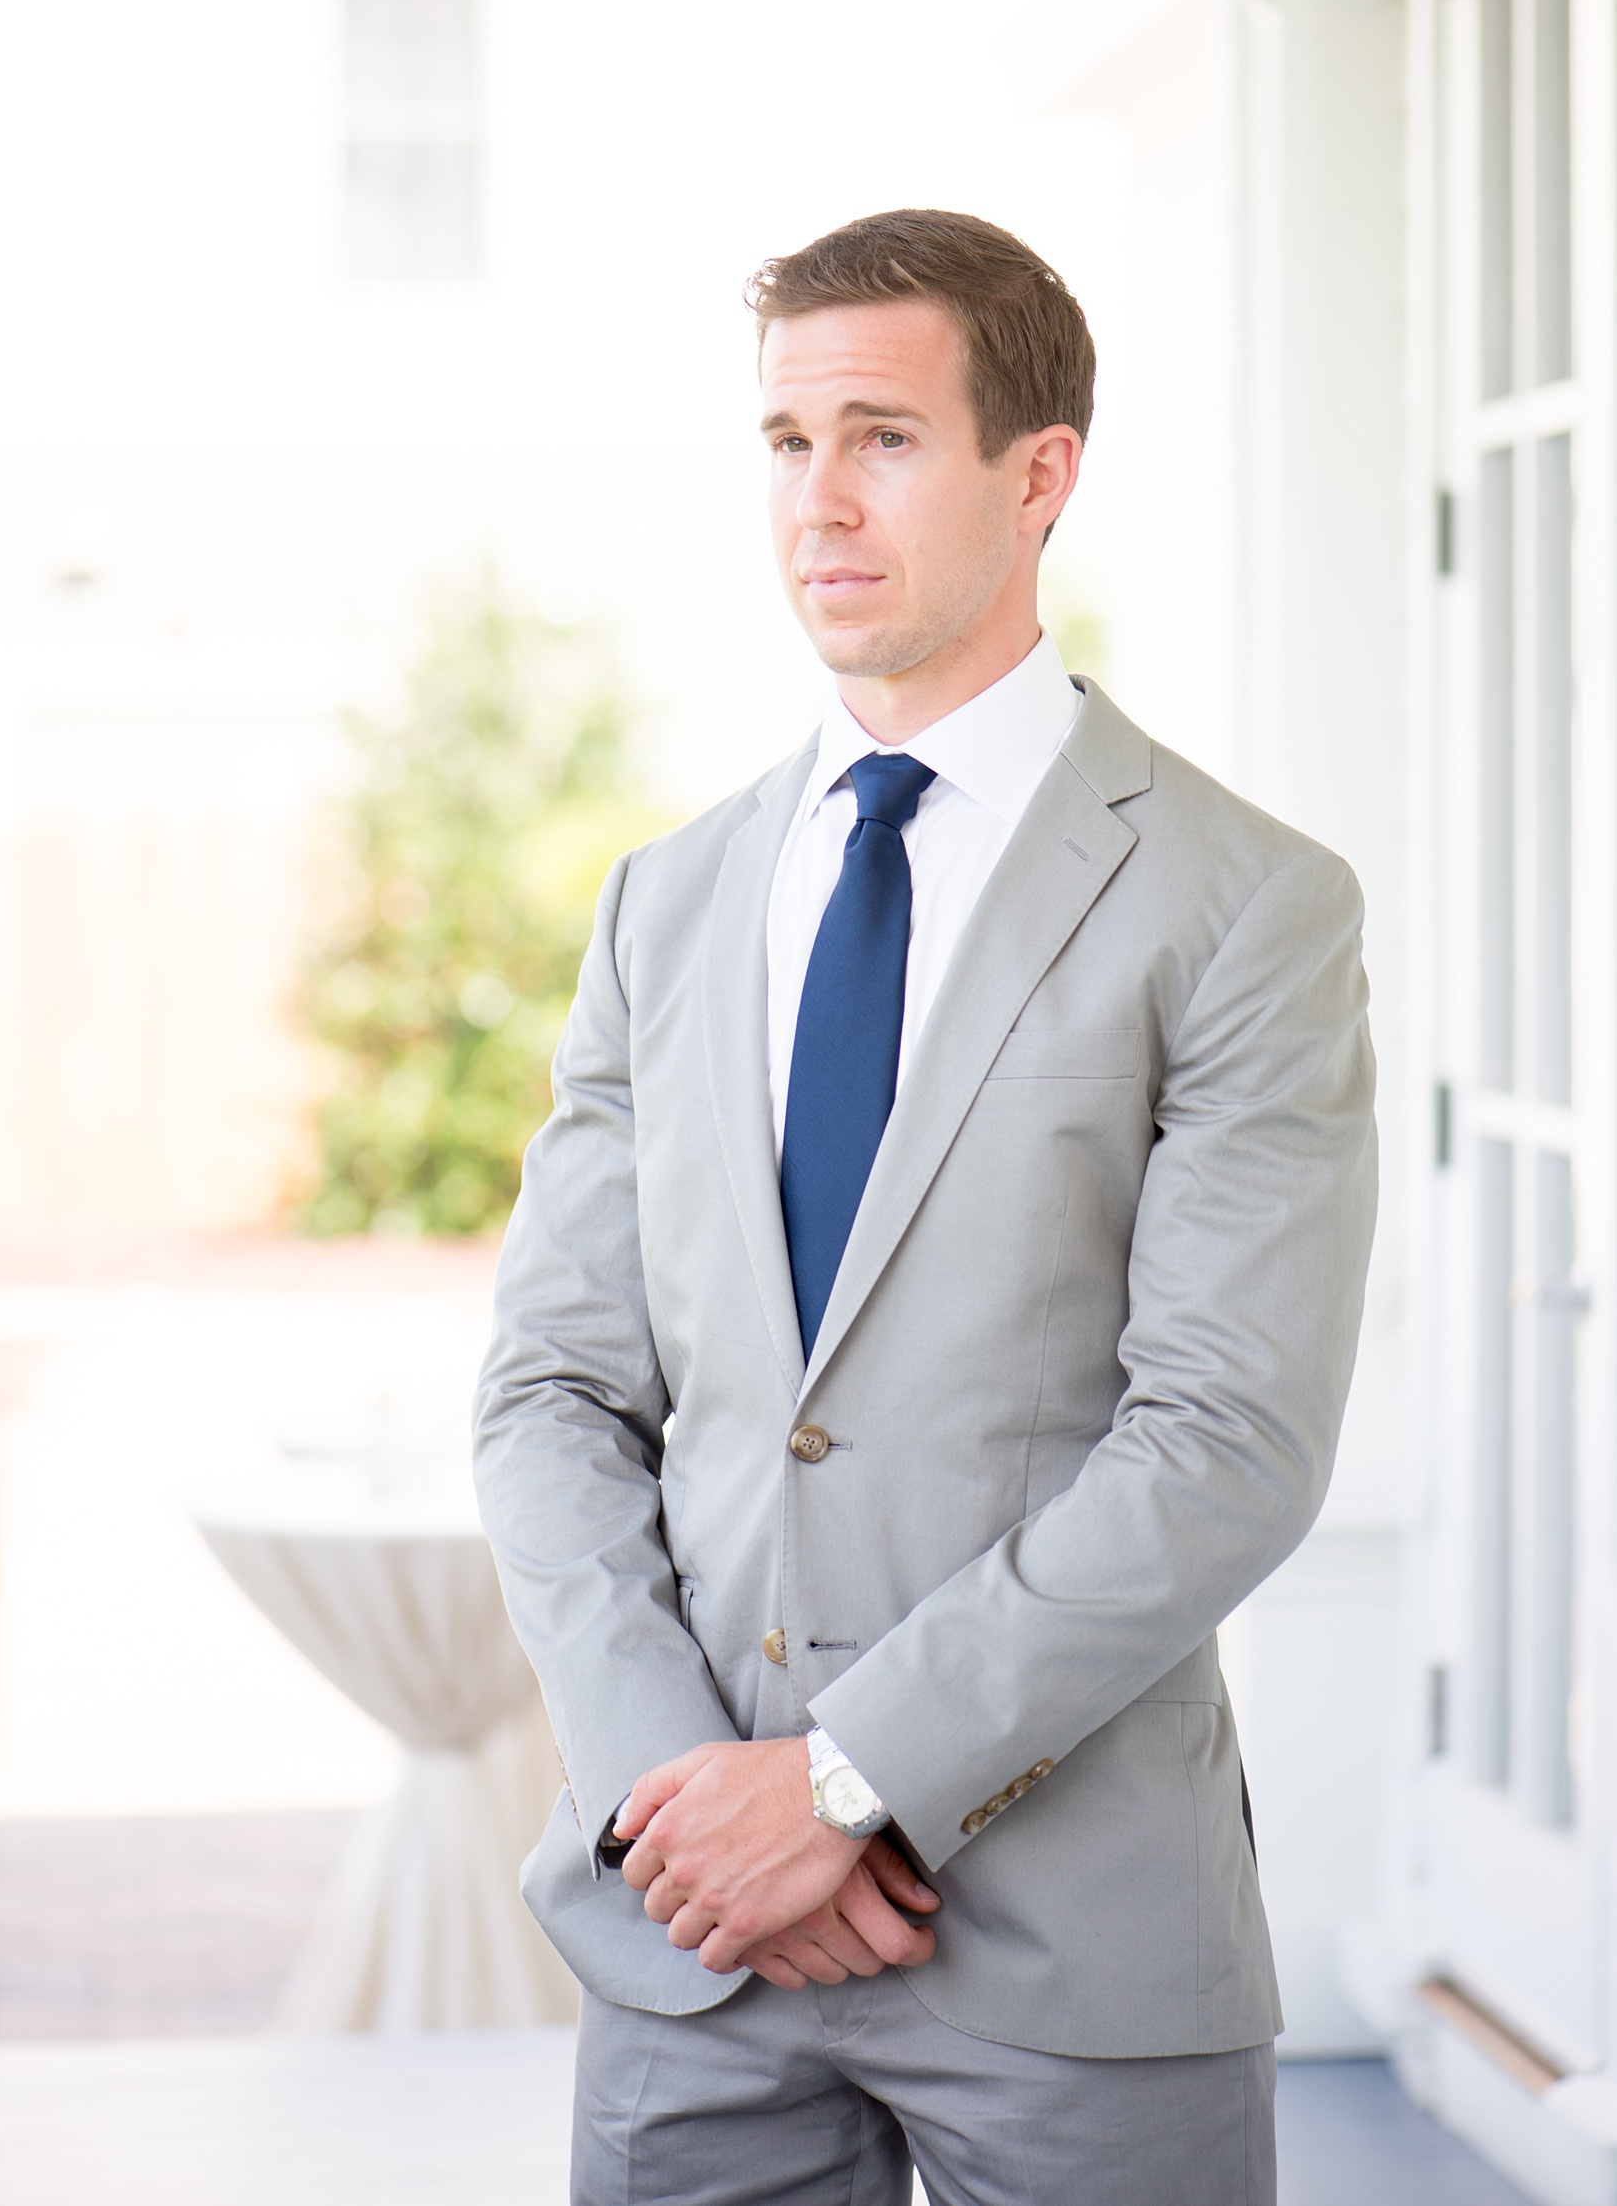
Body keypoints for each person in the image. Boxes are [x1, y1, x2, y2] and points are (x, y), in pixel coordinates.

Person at [473, 208, 1377, 2206]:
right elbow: (549, 1397)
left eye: (881, 435)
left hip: (1070, 1958)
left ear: (1035, 473)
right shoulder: (668, 899)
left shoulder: (1243, 909)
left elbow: (1223, 1444)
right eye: (786, 444)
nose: (820, 500)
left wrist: (842, 1783)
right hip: (689, 1946)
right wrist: (682, 1806)